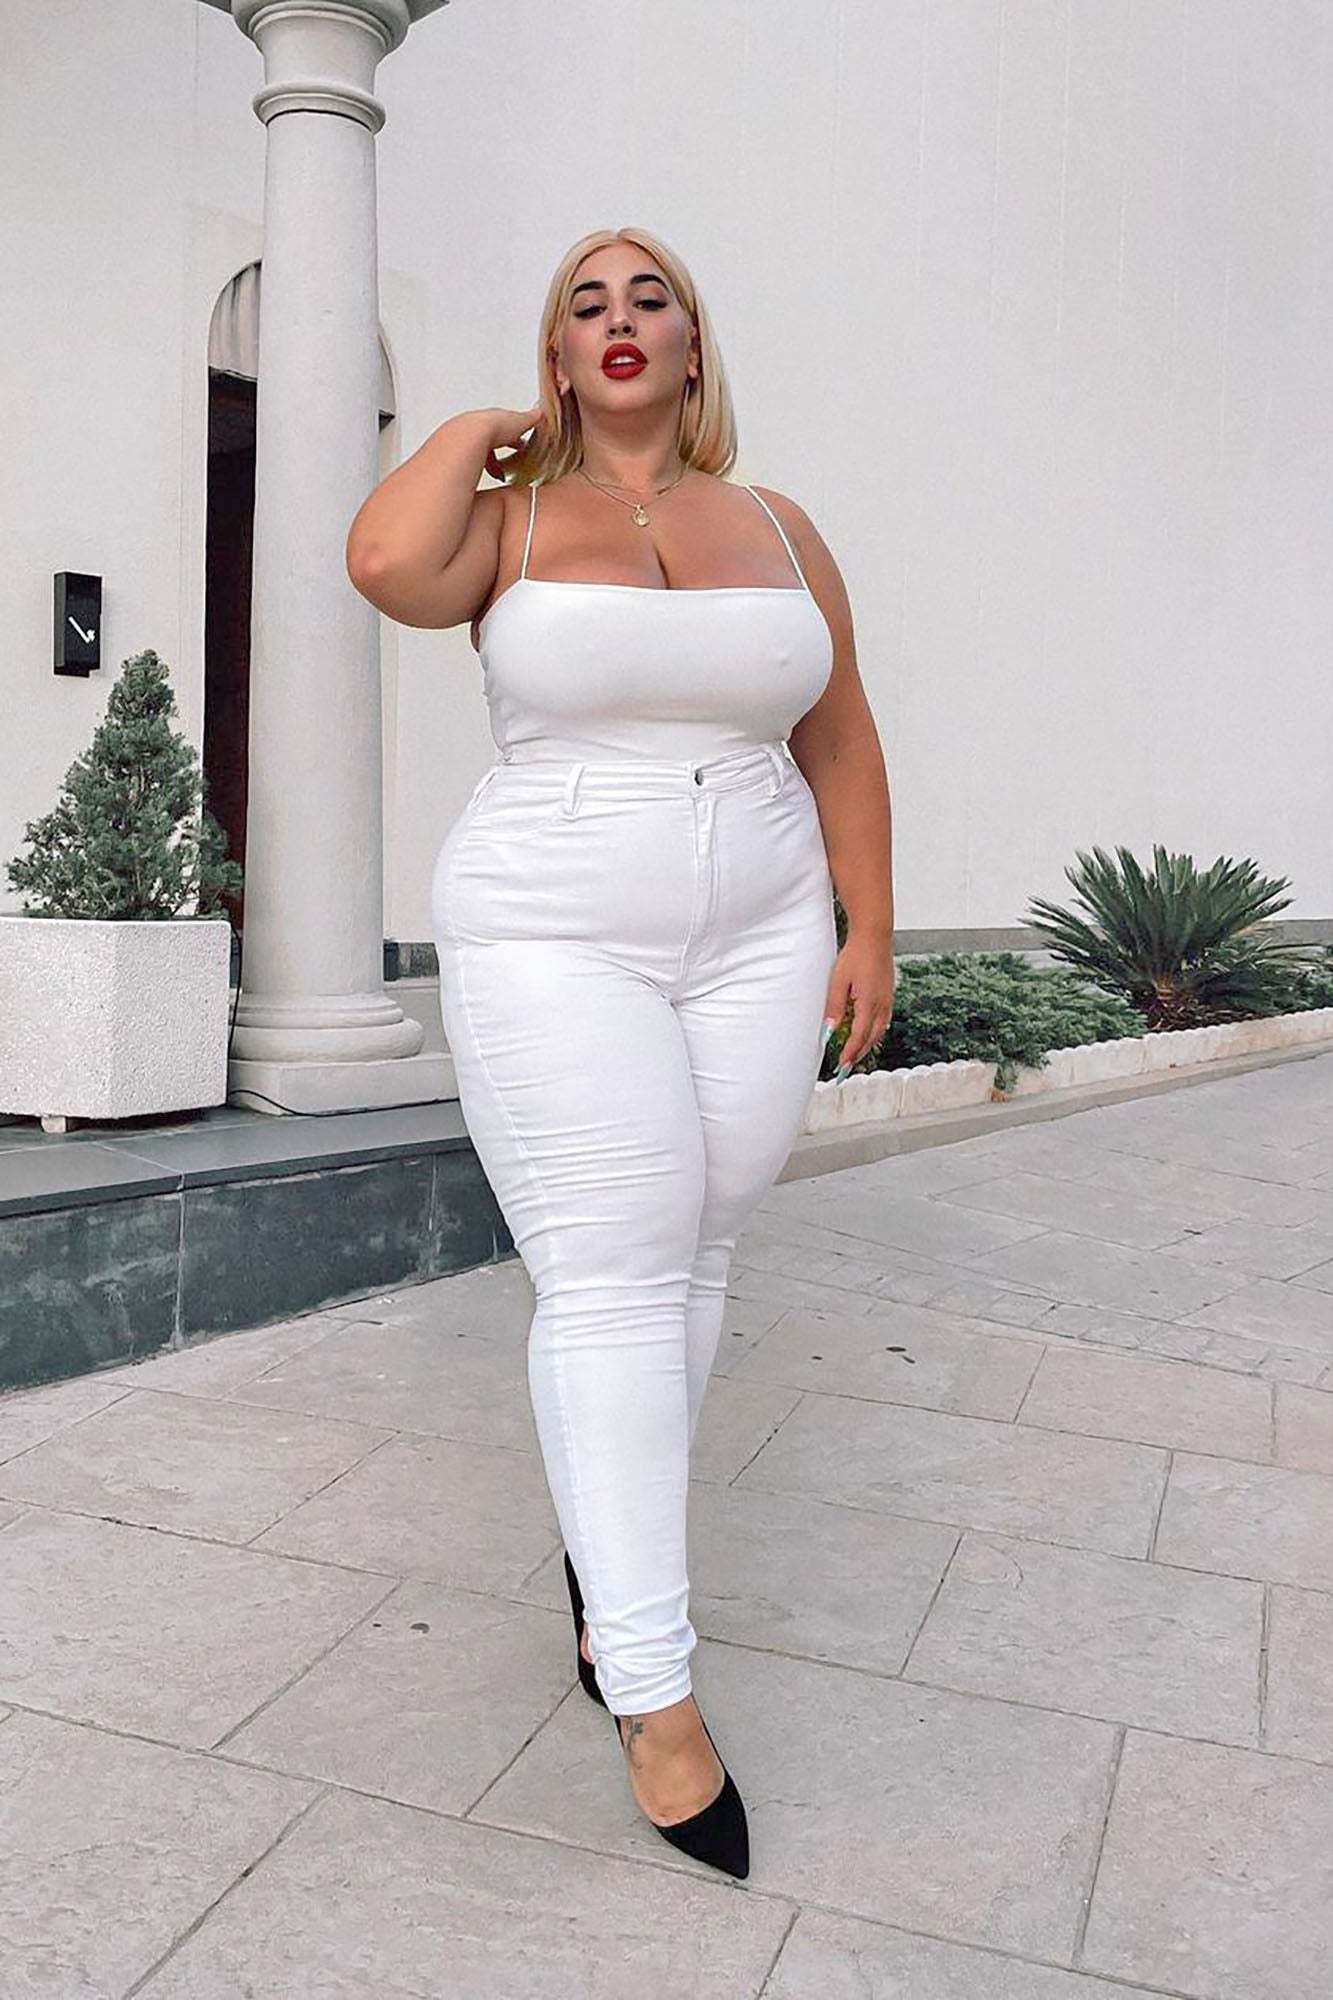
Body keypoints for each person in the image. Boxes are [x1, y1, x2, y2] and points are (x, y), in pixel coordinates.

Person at [347, 226, 895, 1879]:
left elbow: (838, 733)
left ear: (693, 342)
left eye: (648, 295)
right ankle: (652, 1694)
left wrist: (867, 925)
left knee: (698, 1249)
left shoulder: (779, 525)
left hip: (762, 927)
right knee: (610, 1274)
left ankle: (608, 1561)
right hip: (553, 924)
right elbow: (381, 564)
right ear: (559, 354)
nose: (620, 318)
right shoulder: (506, 516)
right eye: (585, 304)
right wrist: (474, 432)